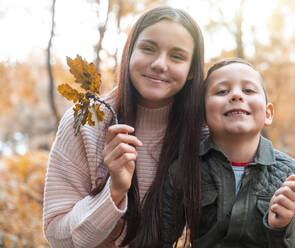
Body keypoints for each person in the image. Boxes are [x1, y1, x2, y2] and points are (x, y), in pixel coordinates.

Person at [43, 6, 205, 248]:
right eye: (148, 49)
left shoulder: (204, 133)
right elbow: (57, 236)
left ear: (191, 71)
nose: (160, 64)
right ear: (129, 52)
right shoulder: (87, 124)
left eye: (177, 56)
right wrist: (115, 189)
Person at [161, 58, 295, 247]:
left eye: (248, 90)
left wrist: (286, 227)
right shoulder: (184, 170)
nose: (236, 95)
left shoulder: (290, 175)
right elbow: (160, 239)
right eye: (222, 91)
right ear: (203, 114)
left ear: (268, 114)